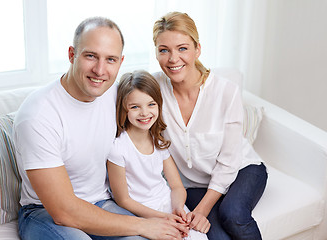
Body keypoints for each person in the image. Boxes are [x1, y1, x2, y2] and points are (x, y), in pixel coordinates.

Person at [13, 16, 188, 240]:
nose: (100, 70)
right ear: (71, 54)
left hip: (102, 202)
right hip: (43, 212)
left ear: (121, 62)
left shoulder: (115, 96)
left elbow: (149, 116)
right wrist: (144, 225)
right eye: (90, 56)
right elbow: (63, 211)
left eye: (111, 60)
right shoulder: (38, 115)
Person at [152, 12, 268, 240]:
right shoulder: (153, 89)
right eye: (164, 50)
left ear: (198, 49)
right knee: (214, 236)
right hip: (193, 184)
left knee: (232, 214)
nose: (173, 58)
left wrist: (203, 209)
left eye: (182, 48)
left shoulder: (225, 91)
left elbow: (229, 160)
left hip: (242, 169)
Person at [107, 70, 210, 240]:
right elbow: (123, 200)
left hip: (168, 204)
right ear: (124, 109)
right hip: (142, 212)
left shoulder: (158, 141)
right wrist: (163, 218)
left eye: (151, 104)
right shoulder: (118, 148)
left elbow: (176, 186)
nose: (144, 113)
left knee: (198, 237)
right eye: (135, 107)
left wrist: (178, 209)